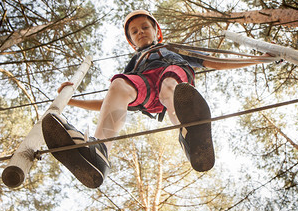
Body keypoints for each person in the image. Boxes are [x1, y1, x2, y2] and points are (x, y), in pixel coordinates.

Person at [44, 10, 271, 188]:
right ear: (131, 41)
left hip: (171, 79)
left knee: (169, 85)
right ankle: (99, 151)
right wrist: (71, 100)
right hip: (145, 89)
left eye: (145, 27)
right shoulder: (134, 64)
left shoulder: (171, 49)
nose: (140, 32)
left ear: (156, 31)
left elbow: (214, 62)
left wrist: (258, 59)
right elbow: (110, 101)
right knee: (118, 84)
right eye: (134, 31)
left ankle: (188, 133)